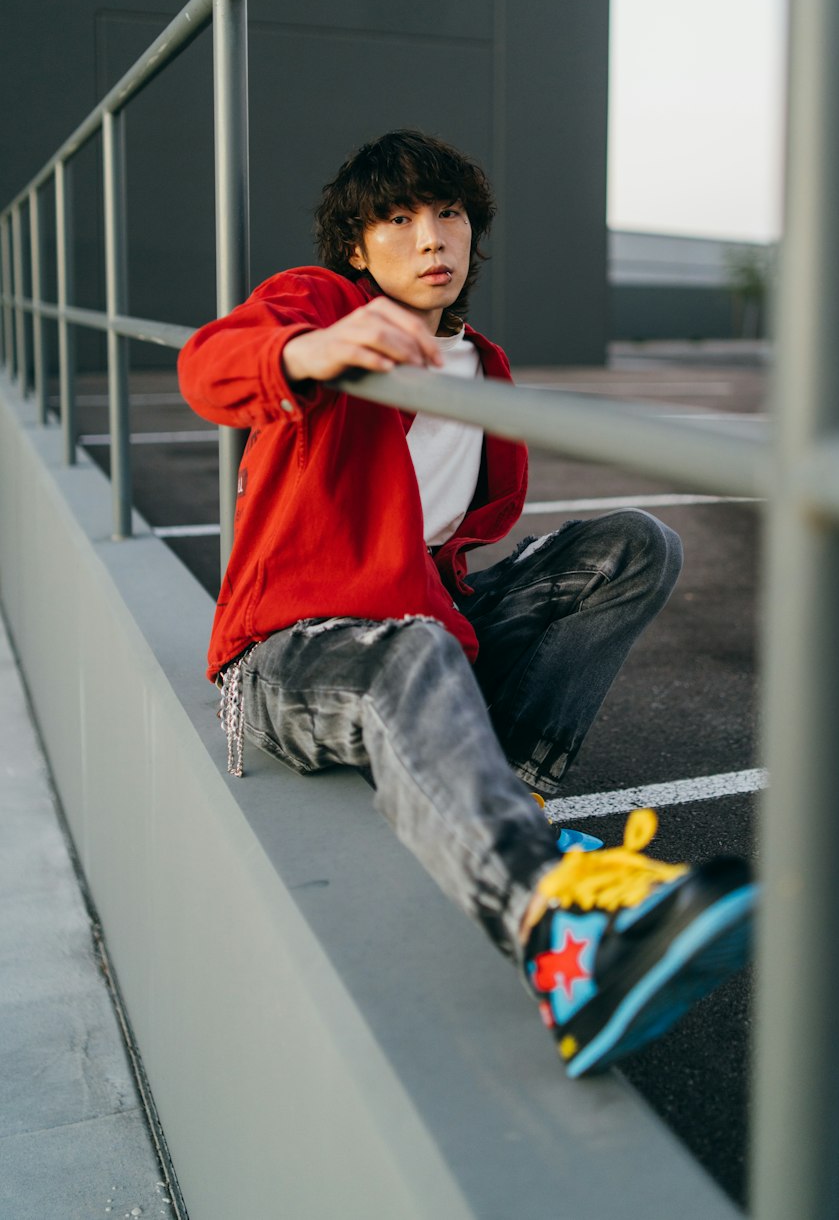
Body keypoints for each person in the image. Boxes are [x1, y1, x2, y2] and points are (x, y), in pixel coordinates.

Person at [178, 129, 755, 1078]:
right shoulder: (323, 306)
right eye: (396, 220)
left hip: (417, 624)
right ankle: (555, 938)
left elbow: (453, 539)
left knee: (632, 546)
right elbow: (209, 366)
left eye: (447, 214)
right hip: (289, 656)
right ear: (358, 250)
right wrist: (312, 352)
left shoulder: (481, 364)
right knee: (409, 646)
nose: (430, 236)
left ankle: (513, 803)